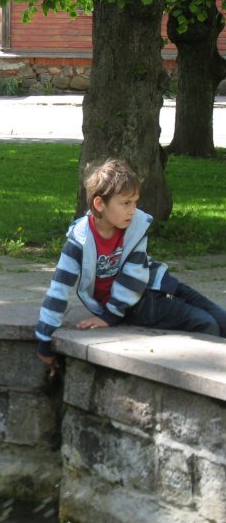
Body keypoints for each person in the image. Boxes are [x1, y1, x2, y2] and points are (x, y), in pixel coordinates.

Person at [35, 158, 226, 377]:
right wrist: (44, 339)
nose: (133, 210)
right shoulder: (79, 240)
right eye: (125, 203)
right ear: (99, 204)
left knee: (221, 319)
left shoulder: (135, 226)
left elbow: (136, 271)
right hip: (137, 305)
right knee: (207, 325)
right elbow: (58, 290)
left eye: (135, 202)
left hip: (158, 281)